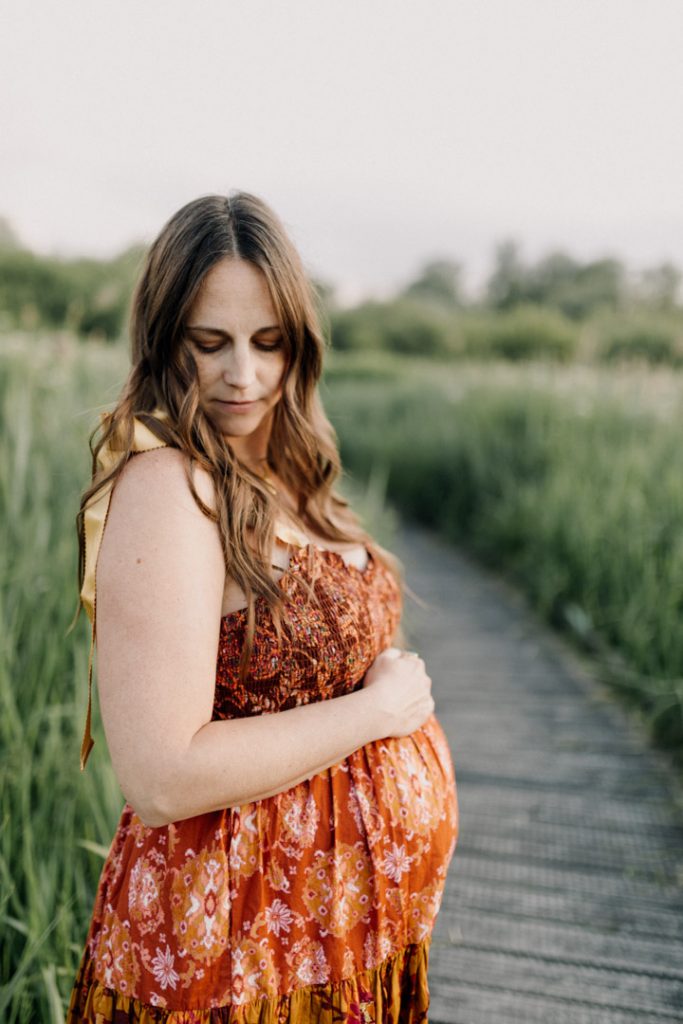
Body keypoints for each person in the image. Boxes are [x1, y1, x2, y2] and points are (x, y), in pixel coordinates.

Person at [66, 191, 459, 1022]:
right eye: (209, 343)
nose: (243, 375)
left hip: (344, 945)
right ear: (163, 336)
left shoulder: (287, 469)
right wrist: (378, 712)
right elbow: (162, 775)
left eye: (267, 342)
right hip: (232, 965)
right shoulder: (169, 488)